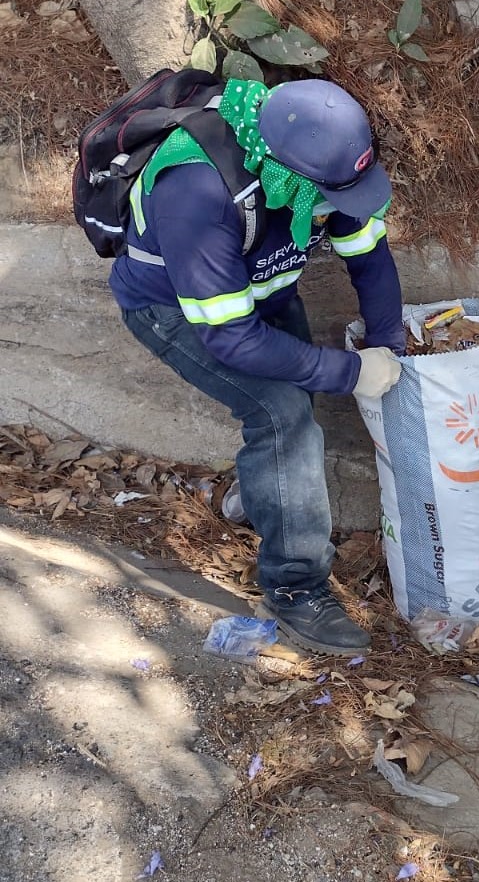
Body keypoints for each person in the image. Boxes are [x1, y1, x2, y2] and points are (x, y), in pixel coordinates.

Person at [108, 78, 407, 656]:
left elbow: (370, 257)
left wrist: (387, 342)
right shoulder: (197, 188)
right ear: (284, 170)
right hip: (177, 311)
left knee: (296, 404)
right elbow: (231, 339)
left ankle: (269, 496)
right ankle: (294, 588)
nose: (337, 208)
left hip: (258, 296)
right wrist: (351, 371)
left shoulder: (321, 163)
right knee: (282, 412)